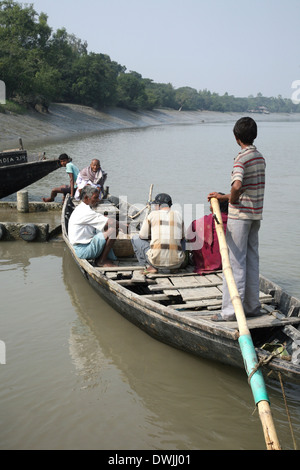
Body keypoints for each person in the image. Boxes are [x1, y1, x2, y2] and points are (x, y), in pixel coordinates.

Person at [208, 117, 266, 321]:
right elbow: (248, 189)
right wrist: (222, 197)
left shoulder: (241, 158)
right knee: (251, 260)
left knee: (235, 263)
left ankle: (230, 311)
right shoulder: (259, 157)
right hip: (254, 215)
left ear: (236, 137)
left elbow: (238, 185)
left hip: (240, 216)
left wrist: (231, 201)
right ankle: (251, 307)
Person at [68, 185, 125, 267]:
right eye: (95, 198)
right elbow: (111, 222)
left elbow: (104, 222)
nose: (98, 200)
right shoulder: (85, 211)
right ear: (87, 198)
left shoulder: (81, 208)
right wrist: (123, 226)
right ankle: (102, 261)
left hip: (81, 246)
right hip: (83, 250)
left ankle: (103, 256)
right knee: (113, 230)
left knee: (107, 227)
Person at [131, 193, 185, 274]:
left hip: (155, 262)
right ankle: (175, 267)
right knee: (184, 240)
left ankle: (150, 266)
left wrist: (151, 237)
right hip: (177, 263)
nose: (155, 207)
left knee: (135, 238)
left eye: (155, 205)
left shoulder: (153, 214)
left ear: (160, 205)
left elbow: (142, 236)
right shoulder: (178, 215)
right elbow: (182, 237)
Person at [186, 194, 228, 274]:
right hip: (228, 263)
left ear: (212, 207)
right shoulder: (233, 222)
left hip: (205, 263)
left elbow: (189, 238)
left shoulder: (199, 223)